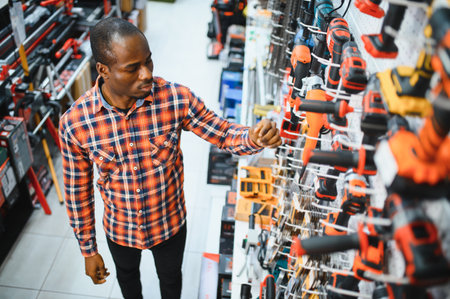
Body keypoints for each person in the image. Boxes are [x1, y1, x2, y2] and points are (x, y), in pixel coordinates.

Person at [59, 17, 281, 299]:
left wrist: (254, 137)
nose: (146, 74)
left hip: (170, 223)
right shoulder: (76, 123)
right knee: (128, 281)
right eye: (132, 68)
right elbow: (78, 193)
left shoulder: (175, 99)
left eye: (148, 62)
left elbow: (223, 133)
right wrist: (88, 250)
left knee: (171, 279)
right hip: (120, 228)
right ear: (103, 70)